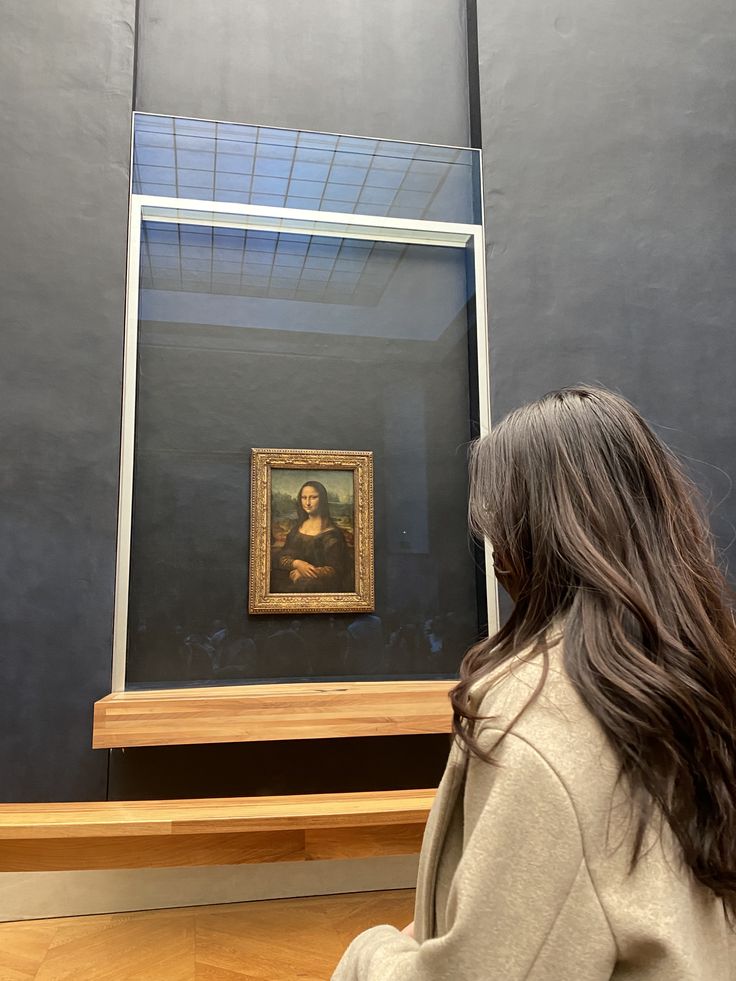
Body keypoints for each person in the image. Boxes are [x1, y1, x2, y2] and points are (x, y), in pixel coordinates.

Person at [332, 386, 736, 979]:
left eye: (495, 521)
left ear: (525, 538)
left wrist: (371, 952)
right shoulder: (703, 669)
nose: (491, 547)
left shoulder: (538, 718)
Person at [272, 481, 353, 593]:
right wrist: (298, 564)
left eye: (313, 497)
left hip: (320, 586)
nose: (308, 503)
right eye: (304, 498)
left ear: (322, 500)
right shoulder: (296, 529)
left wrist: (306, 572)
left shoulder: (333, 535)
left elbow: (337, 570)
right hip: (289, 579)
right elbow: (281, 558)